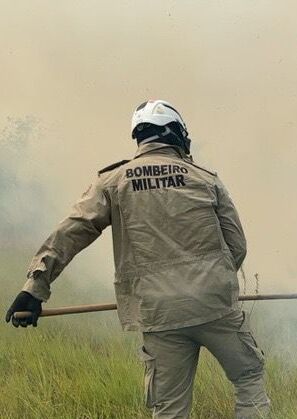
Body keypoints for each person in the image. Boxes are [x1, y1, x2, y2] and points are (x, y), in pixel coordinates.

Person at [4, 100, 270, 418]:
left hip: (158, 313)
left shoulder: (113, 181)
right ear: (177, 133)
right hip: (215, 307)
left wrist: (35, 287)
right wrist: (212, 281)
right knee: (248, 378)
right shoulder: (206, 179)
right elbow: (237, 245)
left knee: (169, 409)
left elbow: (72, 232)